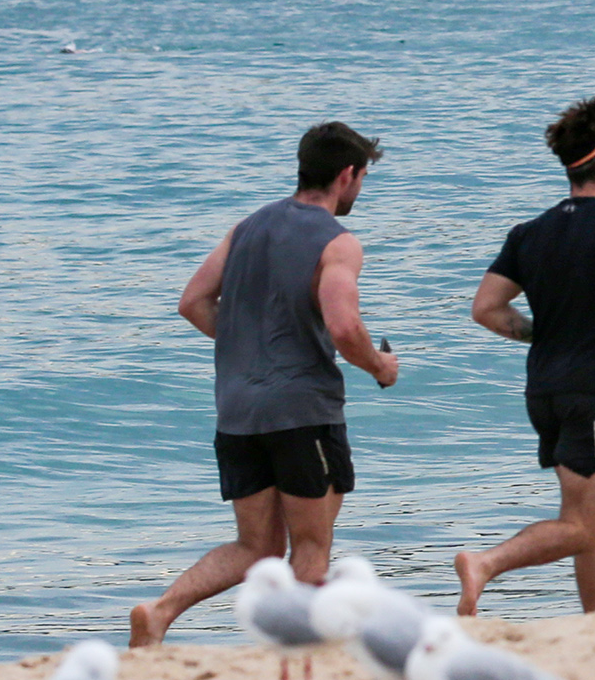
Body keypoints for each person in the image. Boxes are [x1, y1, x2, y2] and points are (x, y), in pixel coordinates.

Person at [131, 121, 399, 646]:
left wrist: (243, 342)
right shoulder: (338, 242)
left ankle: (160, 610)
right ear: (347, 175)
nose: (361, 189)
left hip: (237, 412)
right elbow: (344, 327)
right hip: (303, 411)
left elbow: (193, 302)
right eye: (363, 177)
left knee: (255, 547)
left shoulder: (247, 227)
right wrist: (379, 367)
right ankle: (298, 653)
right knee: (311, 548)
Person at [459, 97, 595, 615]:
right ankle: (485, 563)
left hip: (544, 391)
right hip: (592, 391)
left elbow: (486, 308)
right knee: (583, 525)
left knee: (587, 525)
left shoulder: (530, 233)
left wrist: (542, 331)